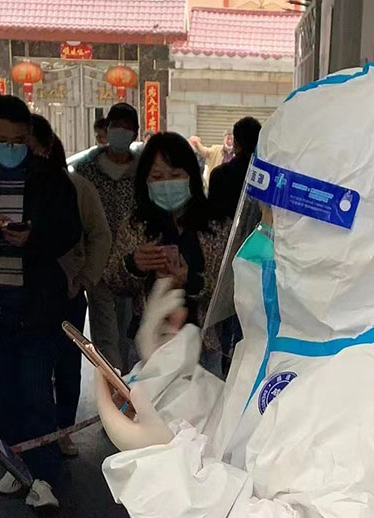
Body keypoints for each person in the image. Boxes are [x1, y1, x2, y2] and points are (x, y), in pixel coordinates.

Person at [94, 64, 374, 517]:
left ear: (337, 228)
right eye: (262, 214)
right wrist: (171, 381)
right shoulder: (296, 342)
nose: (261, 239)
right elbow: (242, 440)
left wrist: (173, 476)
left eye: (279, 220)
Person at [0, 95, 82, 508]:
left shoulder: (50, 177)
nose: (10, 148)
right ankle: (16, 464)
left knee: (37, 391)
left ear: (28, 138)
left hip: (36, 304)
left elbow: (70, 229)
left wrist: (35, 237)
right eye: (1, 140)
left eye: (18, 141)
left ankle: (44, 477)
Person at [104, 132, 230, 375]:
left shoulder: (216, 225)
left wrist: (191, 281)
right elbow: (113, 281)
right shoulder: (135, 225)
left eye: (175, 175)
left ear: (191, 176)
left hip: (203, 348)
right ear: (145, 180)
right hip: (148, 347)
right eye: (157, 177)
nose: (166, 184)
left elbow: (229, 291)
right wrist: (134, 265)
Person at [29, 113, 112, 457]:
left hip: (66, 292)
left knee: (65, 364)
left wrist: (85, 277)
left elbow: (100, 235)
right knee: (29, 367)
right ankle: (31, 434)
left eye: (27, 145)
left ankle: (62, 429)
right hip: (20, 296)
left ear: (47, 147)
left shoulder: (76, 187)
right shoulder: (4, 187)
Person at [75, 103, 141, 372]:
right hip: (97, 263)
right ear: (107, 129)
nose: (120, 132)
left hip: (132, 266)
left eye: (127, 127)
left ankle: (127, 381)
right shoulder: (86, 170)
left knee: (128, 329)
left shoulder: (143, 172)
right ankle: (111, 381)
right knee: (104, 331)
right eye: (116, 126)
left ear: (135, 133)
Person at [209, 117, 261, 220]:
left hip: (226, 229)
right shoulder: (266, 177)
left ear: (236, 143)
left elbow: (213, 218)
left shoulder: (219, 174)